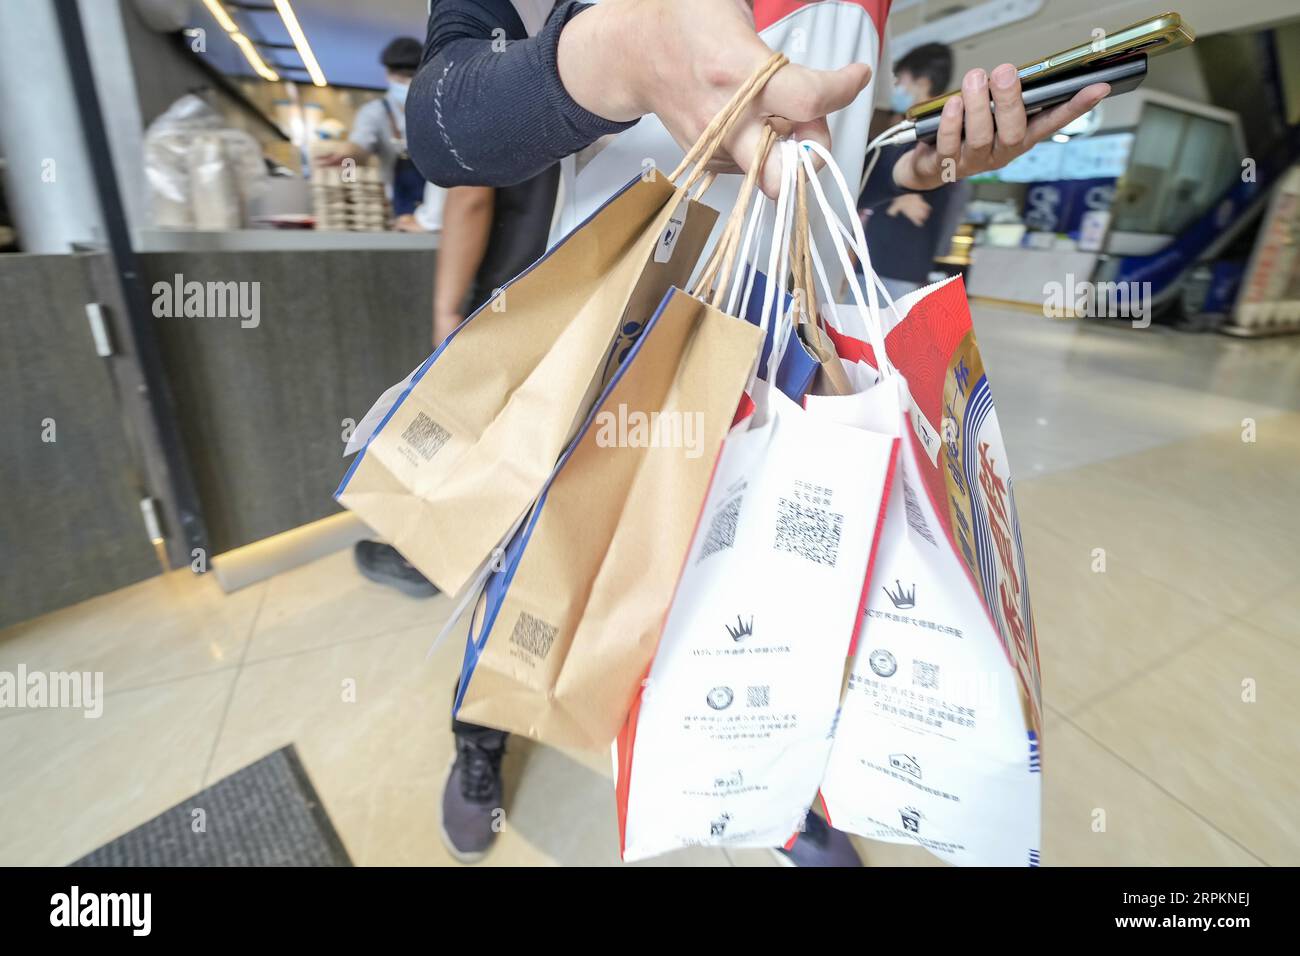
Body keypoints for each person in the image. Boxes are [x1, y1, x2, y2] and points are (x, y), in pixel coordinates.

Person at [402, 0, 1111, 866]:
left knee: (782, 575)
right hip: (613, 330)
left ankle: (781, 779)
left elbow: (824, 150)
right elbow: (446, 125)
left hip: (781, 340)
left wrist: (918, 164)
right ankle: (482, 738)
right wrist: (625, 54)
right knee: (531, 571)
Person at [862, 42, 963, 301]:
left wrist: (900, 194)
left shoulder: (936, 127)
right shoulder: (904, 126)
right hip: (875, 258)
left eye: (901, 79)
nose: (897, 86)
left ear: (923, 82)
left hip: (898, 263)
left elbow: (939, 188)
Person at [317, 36, 428, 226]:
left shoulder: (436, 109)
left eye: (412, 74)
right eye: (401, 76)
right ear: (388, 75)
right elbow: (358, 150)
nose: (407, 82)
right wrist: (346, 161)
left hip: (439, 207)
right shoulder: (374, 113)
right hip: (396, 209)